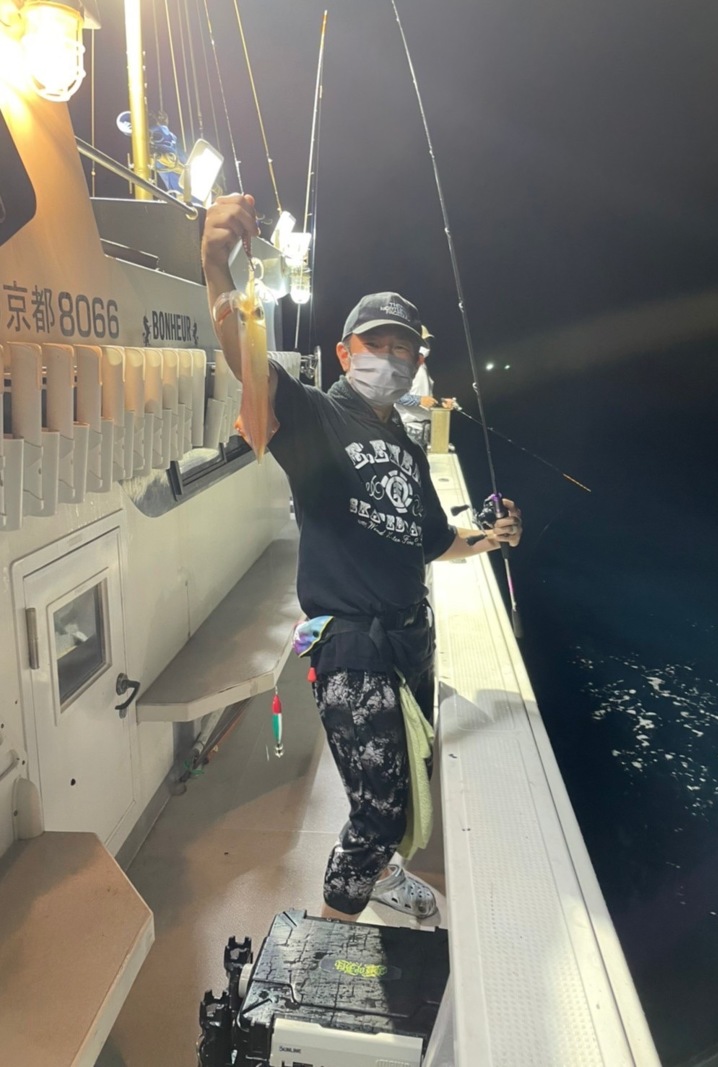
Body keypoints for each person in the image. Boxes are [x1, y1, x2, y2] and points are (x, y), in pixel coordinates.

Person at [201, 193, 522, 922]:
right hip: (348, 644)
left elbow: (436, 541)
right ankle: (329, 936)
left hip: (409, 639)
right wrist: (216, 264)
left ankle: (381, 875)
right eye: (380, 344)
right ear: (347, 353)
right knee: (379, 809)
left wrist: (490, 538)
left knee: (405, 774)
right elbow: (247, 360)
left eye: (406, 349)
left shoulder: (408, 447)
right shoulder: (314, 416)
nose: (395, 359)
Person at [394, 327, 454, 448]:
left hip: (426, 430)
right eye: (423, 342)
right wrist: (419, 400)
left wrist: (440, 403)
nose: (427, 345)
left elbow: (425, 396)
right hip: (410, 429)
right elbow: (393, 395)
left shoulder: (422, 366)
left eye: (428, 341)